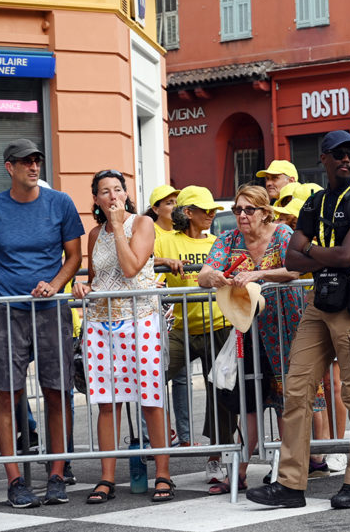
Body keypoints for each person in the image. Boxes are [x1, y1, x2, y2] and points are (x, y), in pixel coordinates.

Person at [246, 130, 350, 510]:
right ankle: (291, 484)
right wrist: (320, 252)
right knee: (297, 388)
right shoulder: (315, 203)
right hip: (320, 298)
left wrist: (309, 248)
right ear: (322, 159)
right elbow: (291, 260)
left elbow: (347, 255)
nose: (345, 159)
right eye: (337, 154)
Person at [0, 139, 84, 508]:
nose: (34, 167)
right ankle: (15, 480)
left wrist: (55, 285)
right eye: (25, 162)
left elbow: (74, 255)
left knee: (57, 390)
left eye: (37, 161)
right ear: (9, 167)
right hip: (6, 310)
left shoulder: (60, 203)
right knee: (7, 392)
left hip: (51, 309)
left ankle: (56, 475)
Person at [71, 170, 173, 504]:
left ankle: (163, 474)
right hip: (102, 322)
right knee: (106, 402)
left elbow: (131, 268)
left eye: (118, 189)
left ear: (126, 195)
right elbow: (98, 276)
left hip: (139, 318)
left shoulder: (143, 224)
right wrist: (83, 285)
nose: (113, 195)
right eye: (105, 191)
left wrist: (117, 227)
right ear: (97, 200)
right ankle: (106, 478)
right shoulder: (93, 233)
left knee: (150, 398)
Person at [197, 184, 305, 494]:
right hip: (247, 329)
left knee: (286, 403)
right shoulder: (228, 239)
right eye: (237, 210)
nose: (242, 216)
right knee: (249, 405)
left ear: (265, 211)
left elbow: (295, 271)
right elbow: (204, 274)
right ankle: (239, 473)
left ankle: (284, 474)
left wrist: (258, 275)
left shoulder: (283, 234)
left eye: (248, 210)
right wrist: (214, 277)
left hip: (285, 327)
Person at [152, 185, 231, 487]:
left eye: (214, 210)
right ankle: (158, 448)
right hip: (180, 329)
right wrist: (160, 263)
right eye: (206, 210)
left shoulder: (218, 242)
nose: (212, 214)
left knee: (223, 392)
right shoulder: (165, 241)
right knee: (152, 378)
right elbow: (142, 268)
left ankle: (218, 457)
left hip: (219, 325)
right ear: (189, 213)